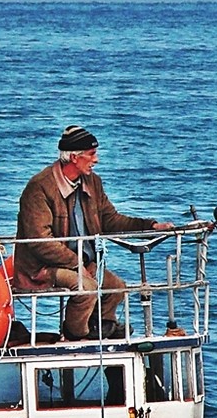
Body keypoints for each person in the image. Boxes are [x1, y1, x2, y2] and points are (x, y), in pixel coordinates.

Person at [13, 125, 174, 340]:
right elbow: (39, 241)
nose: (96, 160)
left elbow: (110, 220)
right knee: (86, 288)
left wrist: (151, 226)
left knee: (117, 287)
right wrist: (75, 263)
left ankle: (101, 326)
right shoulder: (39, 187)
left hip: (81, 262)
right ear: (73, 157)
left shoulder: (93, 182)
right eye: (91, 154)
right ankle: (76, 333)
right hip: (42, 267)